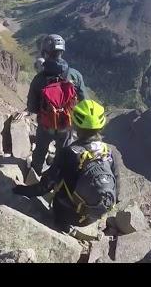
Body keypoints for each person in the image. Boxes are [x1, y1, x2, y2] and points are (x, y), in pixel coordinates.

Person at [12, 99, 120, 233]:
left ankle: (60, 225)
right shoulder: (109, 153)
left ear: (74, 124)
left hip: (68, 215)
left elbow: (45, 187)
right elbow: (117, 192)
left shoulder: (68, 153)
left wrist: (20, 190)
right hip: (92, 217)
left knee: (60, 193)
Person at [17, 34, 87, 175]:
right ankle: (60, 177)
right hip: (66, 125)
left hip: (46, 125)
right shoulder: (75, 75)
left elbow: (32, 107)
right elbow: (85, 101)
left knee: (40, 150)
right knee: (65, 152)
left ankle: (35, 175)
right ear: (62, 51)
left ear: (45, 52)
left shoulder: (39, 79)